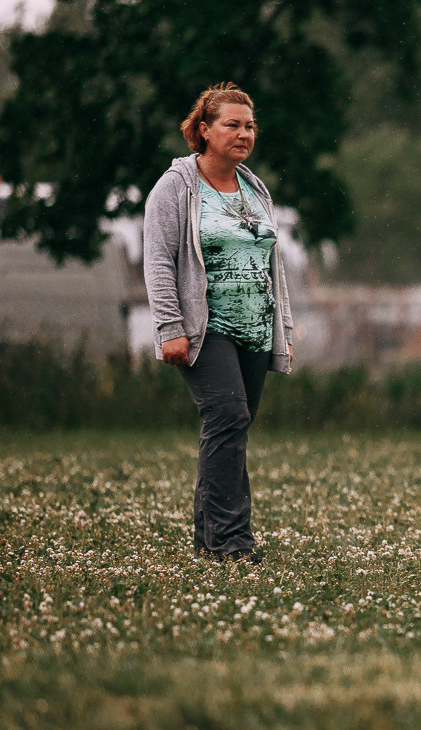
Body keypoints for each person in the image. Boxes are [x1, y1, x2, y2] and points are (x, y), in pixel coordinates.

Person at [144, 83, 294, 564]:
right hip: (204, 329)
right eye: (232, 124)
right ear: (204, 130)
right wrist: (170, 327)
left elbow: (272, 263)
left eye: (250, 126)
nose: (244, 133)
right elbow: (159, 260)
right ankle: (232, 543)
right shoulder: (176, 187)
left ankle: (208, 542)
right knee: (227, 418)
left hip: (254, 326)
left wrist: (280, 331)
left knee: (232, 428)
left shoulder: (254, 186)